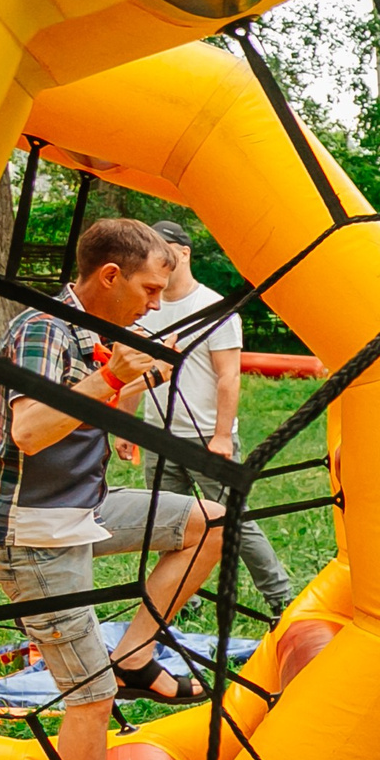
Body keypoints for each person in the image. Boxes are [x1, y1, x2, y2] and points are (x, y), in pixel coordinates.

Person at [0, 217, 228, 760]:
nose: (156, 304)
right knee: (89, 694)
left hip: (82, 509)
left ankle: (134, 654)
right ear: (110, 275)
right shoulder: (42, 328)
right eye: (149, 291)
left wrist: (132, 376)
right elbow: (30, 431)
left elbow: (107, 418)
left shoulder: (97, 330)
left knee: (209, 523)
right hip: (28, 529)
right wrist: (113, 372)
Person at [128, 220, 301, 617]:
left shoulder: (213, 308)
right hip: (157, 436)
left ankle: (281, 600)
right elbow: (134, 370)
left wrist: (222, 436)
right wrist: (128, 427)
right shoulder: (145, 304)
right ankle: (176, 600)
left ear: (183, 253)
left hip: (207, 438)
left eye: (160, 250)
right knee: (167, 526)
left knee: (234, 523)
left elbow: (229, 376)